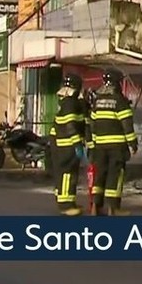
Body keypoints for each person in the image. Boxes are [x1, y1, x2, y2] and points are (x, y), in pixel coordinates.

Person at [87, 69, 137, 216]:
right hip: (117, 146)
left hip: (100, 147)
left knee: (100, 176)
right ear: (117, 83)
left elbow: (93, 124)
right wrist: (132, 144)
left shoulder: (97, 101)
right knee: (115, 176)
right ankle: (113, 209)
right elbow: (127, 125)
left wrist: (94, 144)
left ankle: (95, 207)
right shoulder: (120, 101)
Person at [49, 73, 90, 216]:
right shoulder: (70, 103)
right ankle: (66, 206)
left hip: (61, 144)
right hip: (66, 145)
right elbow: (70, 125)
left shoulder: (66, 101)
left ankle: (69, 202)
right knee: (67, 175)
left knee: (66, 175)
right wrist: (77, 144)